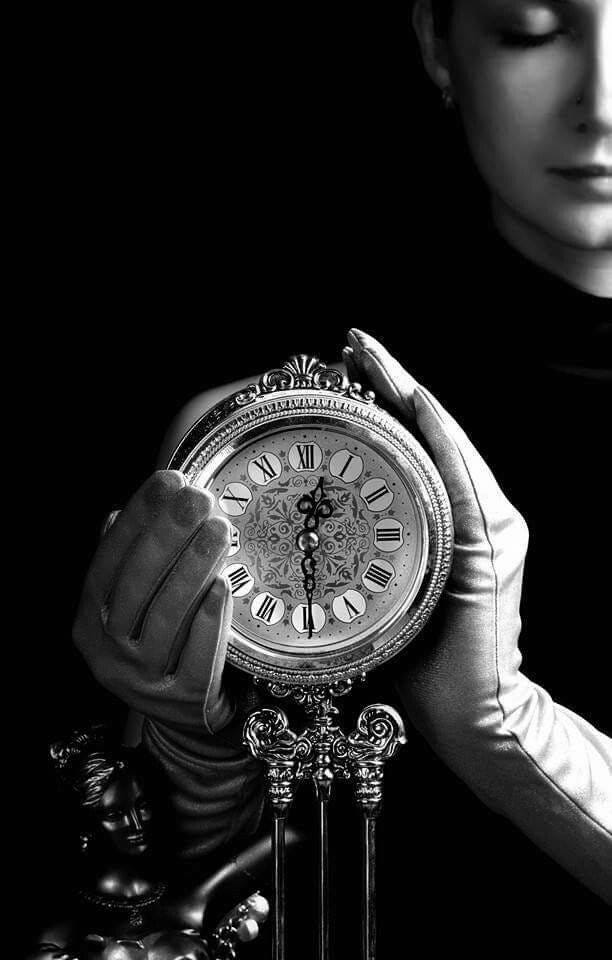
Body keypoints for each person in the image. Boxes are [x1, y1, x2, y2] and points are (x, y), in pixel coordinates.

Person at [60, 0, 611, 954]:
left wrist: (511, 736)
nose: (601, 103)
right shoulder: (263, 434)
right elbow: (166, 914)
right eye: (529, 29)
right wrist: (193, 772)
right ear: (437, 44)